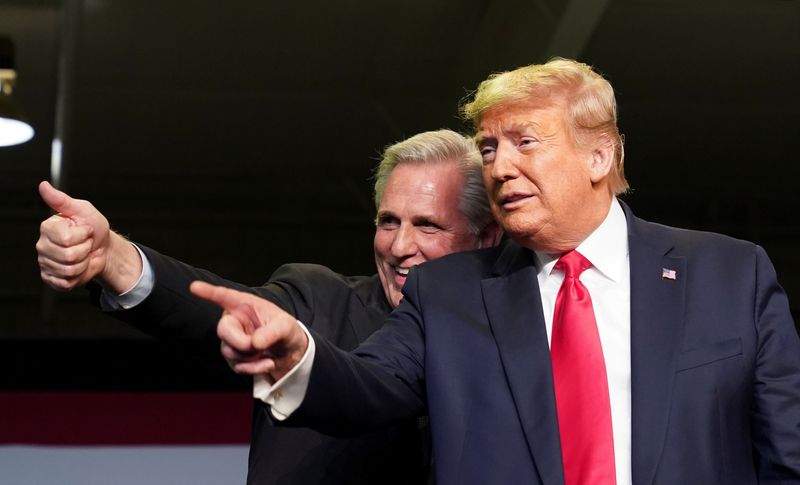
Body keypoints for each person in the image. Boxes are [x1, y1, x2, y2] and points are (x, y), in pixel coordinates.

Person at [193, 58, 800, 485]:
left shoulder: (729, 273)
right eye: (488, 148)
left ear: (599, 154)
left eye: (524, 142)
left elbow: (786, 452)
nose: (500, 166)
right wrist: (299, 353)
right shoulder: (449, 293)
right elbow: (367, 388)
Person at [36, 129, 501, 485]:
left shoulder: (521, 340)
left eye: (428, 225)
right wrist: (113, 259)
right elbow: (229, 315)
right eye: (388, 221)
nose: (400, 246)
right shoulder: (318, 300)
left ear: (486, 237)